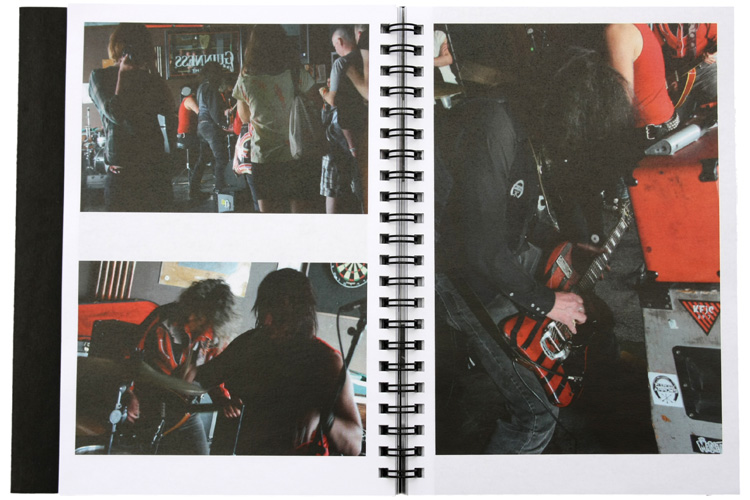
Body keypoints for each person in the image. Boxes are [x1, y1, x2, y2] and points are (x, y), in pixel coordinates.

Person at [435, 48, 633, 454]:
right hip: (454, 267)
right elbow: (480, 248)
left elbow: (514, 215)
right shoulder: (493, 126)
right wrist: (546, 302)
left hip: (495, 250)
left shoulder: (526, 125)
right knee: (537, 413)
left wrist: (562, 244)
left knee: (592, 319)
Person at [194, 268, 363, 456]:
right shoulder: (250, 342)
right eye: (264, 309)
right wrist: (222, 400)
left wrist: (324, 417)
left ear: (298, 314)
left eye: (276, 312)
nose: (266, 320)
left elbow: (355, 445)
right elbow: (203, 376)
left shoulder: (327, 360)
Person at [125, 279, 239, 455]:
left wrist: (224, 401)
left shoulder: (217, 338)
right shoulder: (162, 317)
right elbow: (129, 357)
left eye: (199, 316)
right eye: (191, 310)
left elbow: (215, 376)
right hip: (145, 406)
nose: (191, 317)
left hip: (185, 414)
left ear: (213, 319)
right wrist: (129, 394)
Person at [232, 24, 321, 213]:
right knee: (299, 214)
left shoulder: (246, 77)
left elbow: (245, 117)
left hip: (264, 156)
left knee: (270, 217)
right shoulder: (295, 72)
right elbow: (316, 101)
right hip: (297, 153)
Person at [88, 23, 177, 212]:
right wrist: (123, 75)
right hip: (123, 176)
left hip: (154, 171)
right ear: (119, 48)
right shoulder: (100, 77)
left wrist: (153, 70)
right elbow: (116, 114)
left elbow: (169, 108)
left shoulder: (148, 78)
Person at [605, 24, 679, 145]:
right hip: (665, 125)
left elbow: (621, 103)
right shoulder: (636, 25)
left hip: (649, 135)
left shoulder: (619, 30)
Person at [320, 26, 368, 214]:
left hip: (341, 133)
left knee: (332, 184)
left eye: (335, 45)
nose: (336, 48)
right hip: (362, 128)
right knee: (362, 181)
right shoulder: (365, 58)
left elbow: (334, 100)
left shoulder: (341, 63)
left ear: (340, 42)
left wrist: (323, 92)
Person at [653, 23, 717, 116]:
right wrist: (669, 76)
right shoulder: (659, 23)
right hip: (679, 75)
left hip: (705, 69)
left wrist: (711, 53)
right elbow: (659, 50)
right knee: (672, 118)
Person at [197, 62, 234, 194]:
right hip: (210, 127)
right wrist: (225, 125)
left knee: (202, 159)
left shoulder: (202, 86)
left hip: (201, 126)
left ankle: (193, 190)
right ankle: (220, 188)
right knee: (221, 158)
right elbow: (214, 112)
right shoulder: (211, 87)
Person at [176, 85, 208, 200]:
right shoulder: (189, 99)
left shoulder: (186, 100)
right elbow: (200, 113)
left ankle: (195, 186)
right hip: (187, 136)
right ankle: (195, 189)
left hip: (186, 136)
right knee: (203, 156)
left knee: (203, 155)